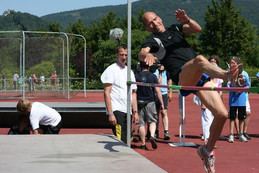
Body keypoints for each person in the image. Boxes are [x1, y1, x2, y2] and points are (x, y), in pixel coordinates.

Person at [139, 9, 240, 173]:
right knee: (200, 59)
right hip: (183, 76)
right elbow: (143, 52)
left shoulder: (175, 29)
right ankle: (227, 76)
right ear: (147, 27)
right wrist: (146, 56)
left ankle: (207, 151)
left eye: (155, 19)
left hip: (200, 76)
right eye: (150, 22)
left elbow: (196, 29)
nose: (154, 22)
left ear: (160, 18)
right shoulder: (152, 40)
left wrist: (187, 19)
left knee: (222, 114)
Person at [101, 45, 139, 144]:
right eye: (121, 54)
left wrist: (135, 111)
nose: (124, 57)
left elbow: (133, 93)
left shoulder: (129, 71)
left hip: (128, 111)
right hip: (117, 110)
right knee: (120, 139)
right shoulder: (111, 70)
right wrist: (110, 113)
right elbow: (106, 93)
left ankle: (124, 158)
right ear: (117, 55)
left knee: (127, 139)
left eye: (126, 55)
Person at [135, 62, 164, 149]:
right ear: (149, 67)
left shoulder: (136, 76)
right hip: (150, 101)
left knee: (141, 124)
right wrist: (162, 103)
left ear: (140, 67)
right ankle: (151, 135)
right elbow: (158, 90)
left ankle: (143, 143)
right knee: (152, 121)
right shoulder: (152, 76)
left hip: (139, 101)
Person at [227, 56, 250, 143]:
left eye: (233, 63)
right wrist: (232, 86)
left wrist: (241, 88)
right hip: (233, 99)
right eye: (231, 63)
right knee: (232, 118)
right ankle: (231, 134)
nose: (231, 64)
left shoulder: (244, 73)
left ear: (238, 64)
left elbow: (248, 85)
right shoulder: (229, 73)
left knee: (241, 117)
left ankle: (240, 134)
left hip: (242, 99)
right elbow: (227, 85)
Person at [153, 64, 172, 140]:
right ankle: (155, 131)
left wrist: (170, 92)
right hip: (155, 94)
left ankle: (166, 131)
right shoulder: (155, 71)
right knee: (155, 113)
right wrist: (159, 73)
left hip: (164, 94)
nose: (161, 65)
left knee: (164, 112)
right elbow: (157, 81)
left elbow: (169, 80)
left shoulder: (167, 71)